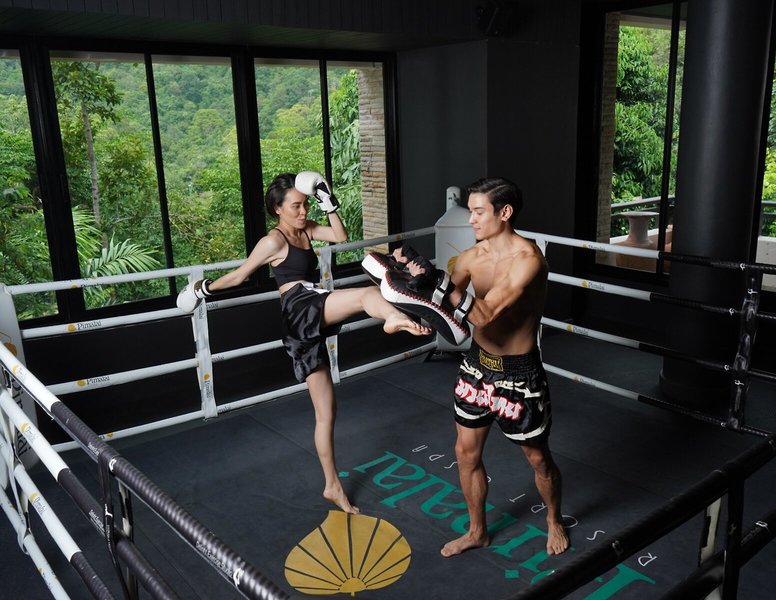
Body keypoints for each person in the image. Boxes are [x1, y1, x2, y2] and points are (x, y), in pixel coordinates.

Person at [177, 171, 431, 514]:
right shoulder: (273, 241)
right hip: (299, 308)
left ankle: (331, 485)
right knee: (367, 294)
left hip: (309, 318)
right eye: (296, 206)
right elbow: (239, 276)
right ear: (278, 209)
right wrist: (200, 290)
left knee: (326, 412)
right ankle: (393, 317)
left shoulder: (308, 229)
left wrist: (328, 202)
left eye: (306, 204)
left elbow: (340, 236)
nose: (302, 211)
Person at [380, 176, 569, 556]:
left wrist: (437, 280)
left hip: (520, 376)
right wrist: (410, 296)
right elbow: (444, 307)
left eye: (479, 212)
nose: (471, 220)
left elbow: (483, 313)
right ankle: (477, 531)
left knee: (538, 459)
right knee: (465, 454)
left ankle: (553, 519)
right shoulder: (470, 258)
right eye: (471, 212)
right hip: (477, 368)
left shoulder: (529, 260)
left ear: (505, 212)